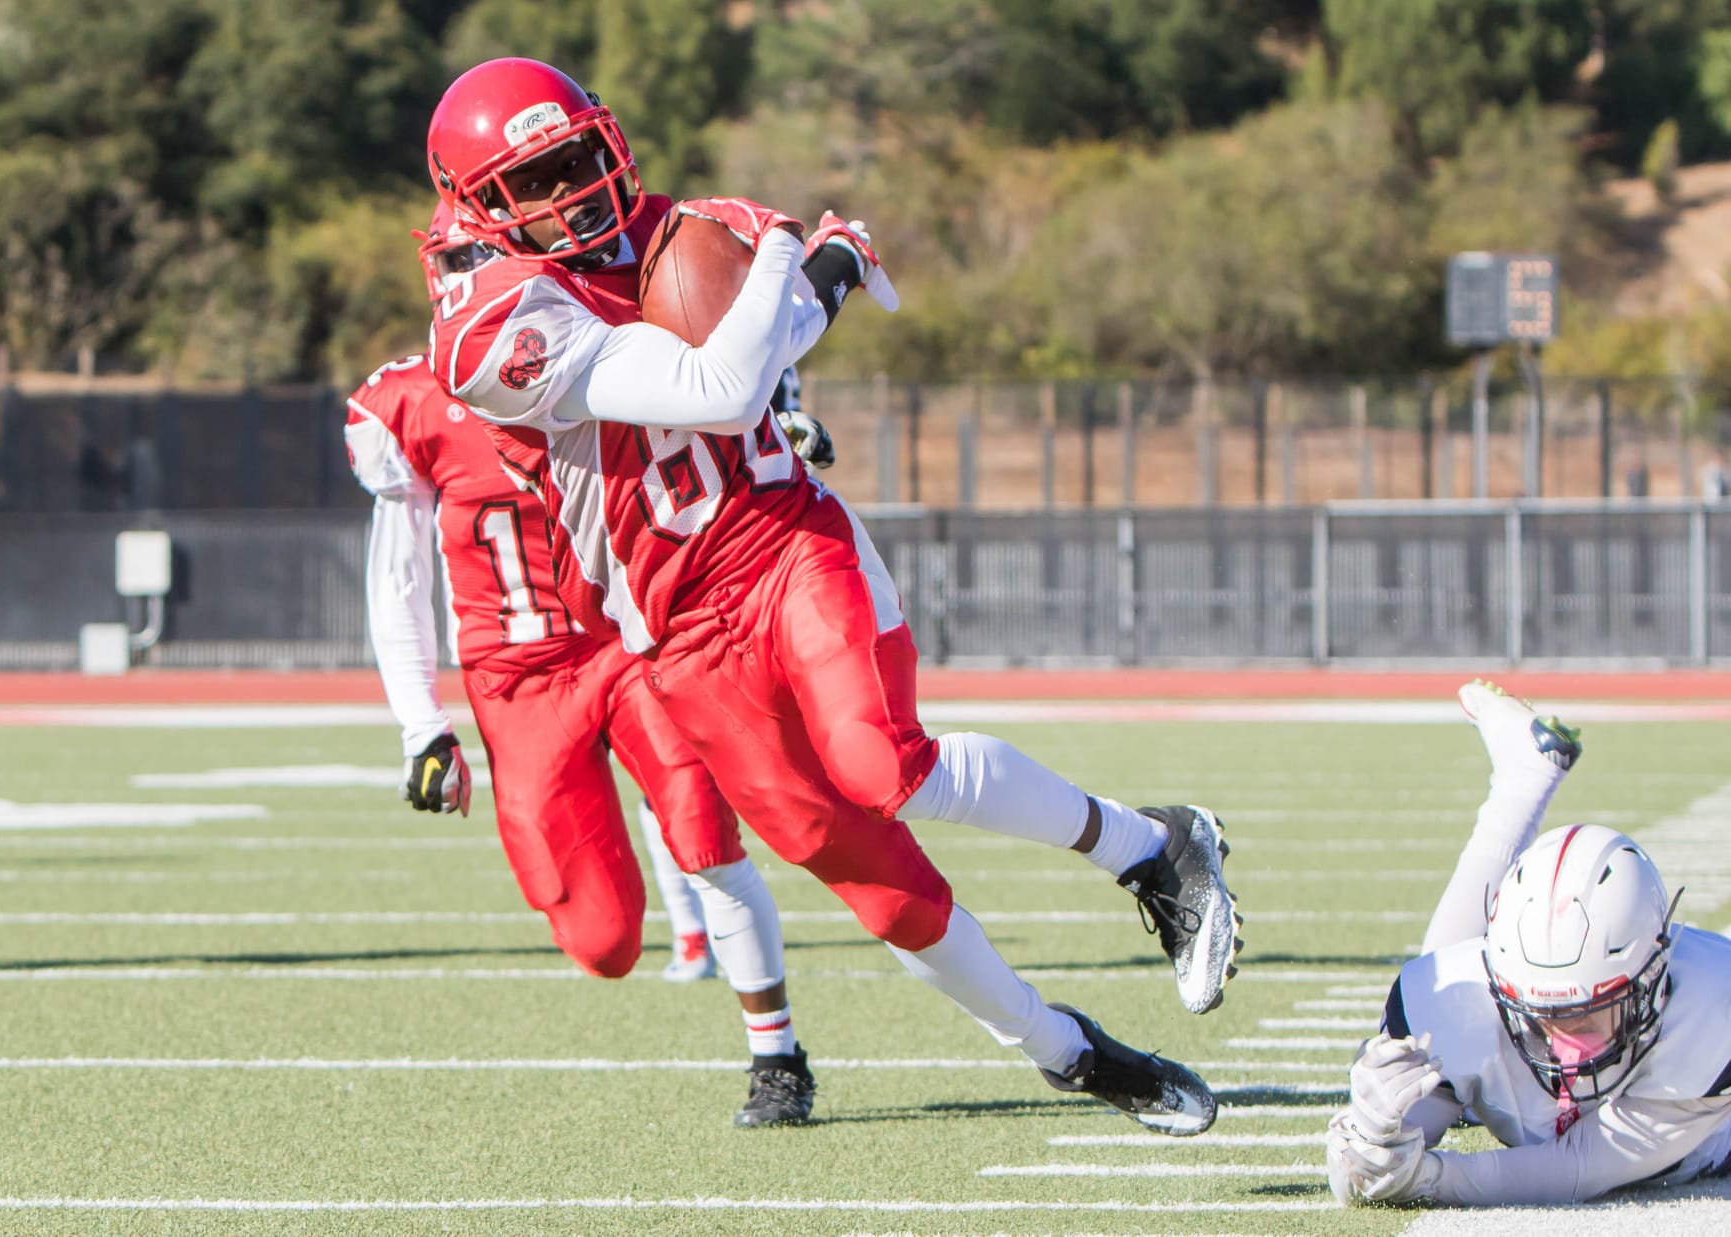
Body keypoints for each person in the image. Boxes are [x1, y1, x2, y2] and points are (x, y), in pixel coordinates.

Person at [421, 58, 1238, 1135]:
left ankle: (1153, 846)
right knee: (871, 880)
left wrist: (806, 272)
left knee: (879, 763)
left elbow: (775, 337)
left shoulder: (692, 228)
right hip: (673, 631)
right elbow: (722, 385)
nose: (574, 187)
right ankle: (1065, 1050)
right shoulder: (487, 321)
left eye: (578, 156)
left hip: (781, 544)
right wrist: (800, 260)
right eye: (539, 178)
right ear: (480, 203)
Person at [347, 221, 837, 1123]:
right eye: (456, 265)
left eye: (482, 260)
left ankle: (778, 1057)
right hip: (517, 679)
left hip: (628, 638)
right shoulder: (412, 402)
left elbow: (713, 386)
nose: (469, 280)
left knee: (707, 837)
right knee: (602, 939)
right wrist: (422, 723)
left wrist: (780, 424)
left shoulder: (594, 343)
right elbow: (400, 574)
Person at [1326, 680, 1731, 1206]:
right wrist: (1367, 1137)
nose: (1563, 1036)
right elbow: (1358, 1180)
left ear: (1653, 976)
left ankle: (1525, 777)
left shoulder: (1709, 1011)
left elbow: (1581, 1165)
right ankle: (1524, 777)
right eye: (1543, 1010)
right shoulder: (1459, 997)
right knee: (1435, 1003)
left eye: (1589, 1010)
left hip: (1704, 1144)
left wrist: (1430, 1179)